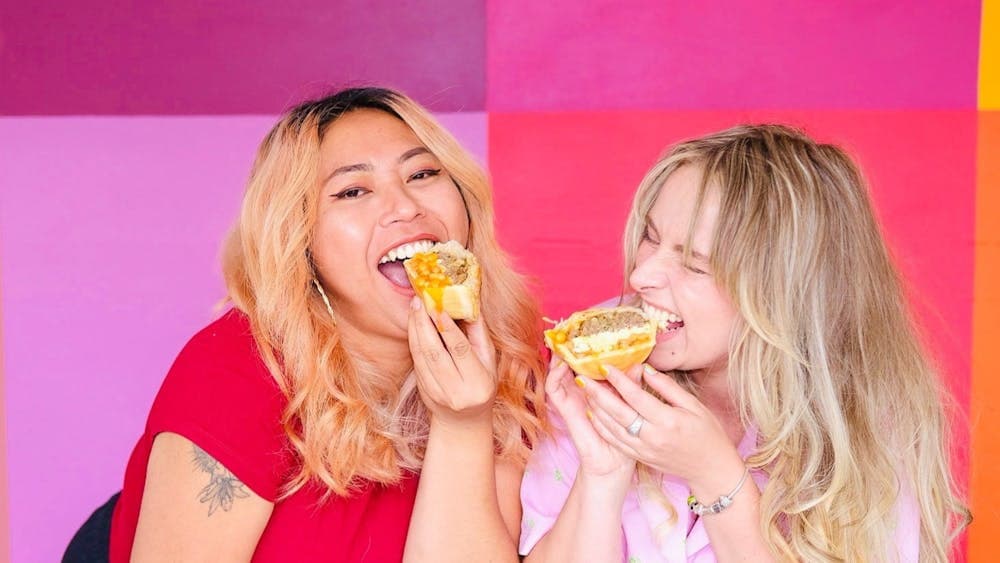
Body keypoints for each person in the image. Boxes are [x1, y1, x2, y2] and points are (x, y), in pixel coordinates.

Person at [107, 86, 546, 562]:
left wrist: (463, 424)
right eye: (353, 190)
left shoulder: (513, 357)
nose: (405, 207)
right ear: (301, 241)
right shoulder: (239, 367)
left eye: (422, 174)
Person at [519, 125, 970, 562]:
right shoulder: (597, 371)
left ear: (786, 294)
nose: (641, 277)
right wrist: (603, 474)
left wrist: (715, 475)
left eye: (695, 265)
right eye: (650, 238)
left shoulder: (868, 424)